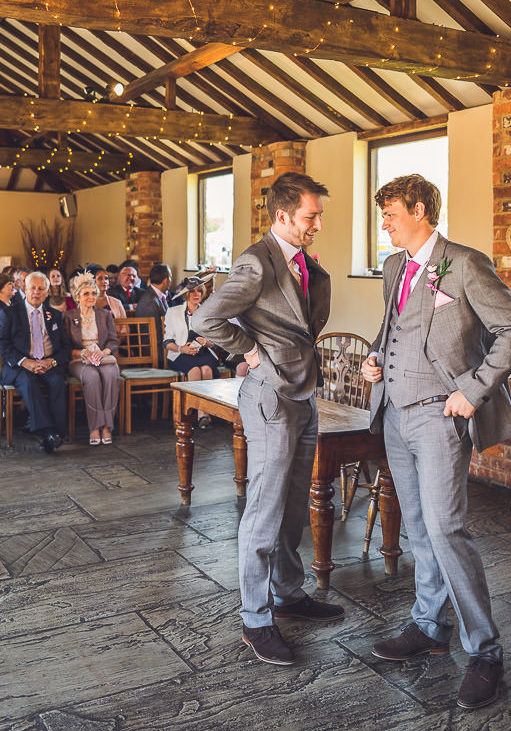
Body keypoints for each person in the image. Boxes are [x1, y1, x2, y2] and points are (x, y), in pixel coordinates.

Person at [359, 174, 511, 710]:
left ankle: (485, 653)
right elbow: (394, 328)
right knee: (417, 527)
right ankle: (429, 626)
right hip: (394, 415)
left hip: (440, 417)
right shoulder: (394, 266)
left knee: (447, 530)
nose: (384, 224)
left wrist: (473, 391)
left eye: (390, 214)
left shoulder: (465, 263)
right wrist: (374, 357)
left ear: (419, 211)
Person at [192, 172, 339, 666]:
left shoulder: (302, 261)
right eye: (310, 216)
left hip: (303, 393)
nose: (317, 224)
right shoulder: (257, 261)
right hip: (270, 396)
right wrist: (251, 351)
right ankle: (255, 620)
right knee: (264, 509)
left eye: (318, 215)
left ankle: (288, 593)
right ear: (282, 216)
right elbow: (204, 319)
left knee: (294, 504)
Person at [0, 271, 70, 453]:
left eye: (41, 289)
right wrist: (24, 362)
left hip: (47, 364)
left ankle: (58, 433)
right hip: (20, 366)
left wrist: (52, 362)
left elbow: (65, 348)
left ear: (47, 292)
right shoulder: (10, 313)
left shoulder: (54, 315)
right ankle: (48, 433)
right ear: (25, 289)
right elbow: (1, 344)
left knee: (58, 382)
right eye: (33, 288)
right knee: (29, 382)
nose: (37, 292)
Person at [66, 273, 122, 446]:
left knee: (111, 375)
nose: (91, 297)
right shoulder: (69, 316)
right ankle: (95, 427)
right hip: (79, 359)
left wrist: (104, 352)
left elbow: (113, 340)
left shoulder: (104, 314)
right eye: (86, 294)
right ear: (77, 297)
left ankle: (107, 427)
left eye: (93, 293)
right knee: (92, 377)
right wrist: (83, 353)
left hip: (103, 358)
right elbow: (64, 346)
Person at [162, 285, 219, 428]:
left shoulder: (208, 312)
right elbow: (167, 342)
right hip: (180, 353)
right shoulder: (173, 311)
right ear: (186, 294)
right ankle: (198, 413)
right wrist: (182, 349)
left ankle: (202, 413)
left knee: (206, 369)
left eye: (199, 291)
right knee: (194, 370)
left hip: (204, 352)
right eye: (192, 291)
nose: (196, 294)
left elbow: (216, 342)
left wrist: (207, 342)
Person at [93, 268, 128, 339]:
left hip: (115, 341)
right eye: (100, 278)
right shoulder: (87, 302)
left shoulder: (117, 302)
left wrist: (116, 342)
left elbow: (124, 326)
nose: (104, 281)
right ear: (93, 281)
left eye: (106, 278)